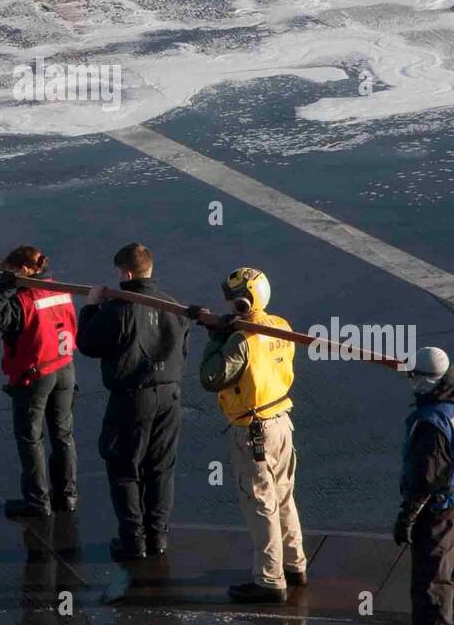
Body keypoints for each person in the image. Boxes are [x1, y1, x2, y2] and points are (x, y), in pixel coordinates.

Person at [198, 267, 307, 603]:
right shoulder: (281, 326)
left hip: (253, 430)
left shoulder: (240, 341)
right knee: (284, 495)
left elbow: (211, 377)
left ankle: (269, 580)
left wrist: (217, 337)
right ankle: (295, 564)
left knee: (260, 504)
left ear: (243, 302)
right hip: (281, 421)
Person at [76, 242, 189, 560]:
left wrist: (91, 308)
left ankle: (133, 539)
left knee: (124, 467)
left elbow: (88, 344)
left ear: (126, 273)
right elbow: (183, 349)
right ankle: (158, 536)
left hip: (132, 397)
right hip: (170, 394)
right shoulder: (173, 305)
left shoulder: (119, 307)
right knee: (161, 468)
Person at [392, 347, 454, 625]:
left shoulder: (432, 423)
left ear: (430, 380)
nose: (412, 384)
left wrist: (407, 518)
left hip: (440, 510)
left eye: (416, 378)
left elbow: (425, 481)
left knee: (432, 581)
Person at [0, 245, 78, 520]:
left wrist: (1, 288)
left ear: (23, 271)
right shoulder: (62, 290)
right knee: (63, 435)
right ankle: (67, 495)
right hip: (65, 368)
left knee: (31, 438)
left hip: (35, 376)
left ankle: (37, 501)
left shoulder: (22, 301)